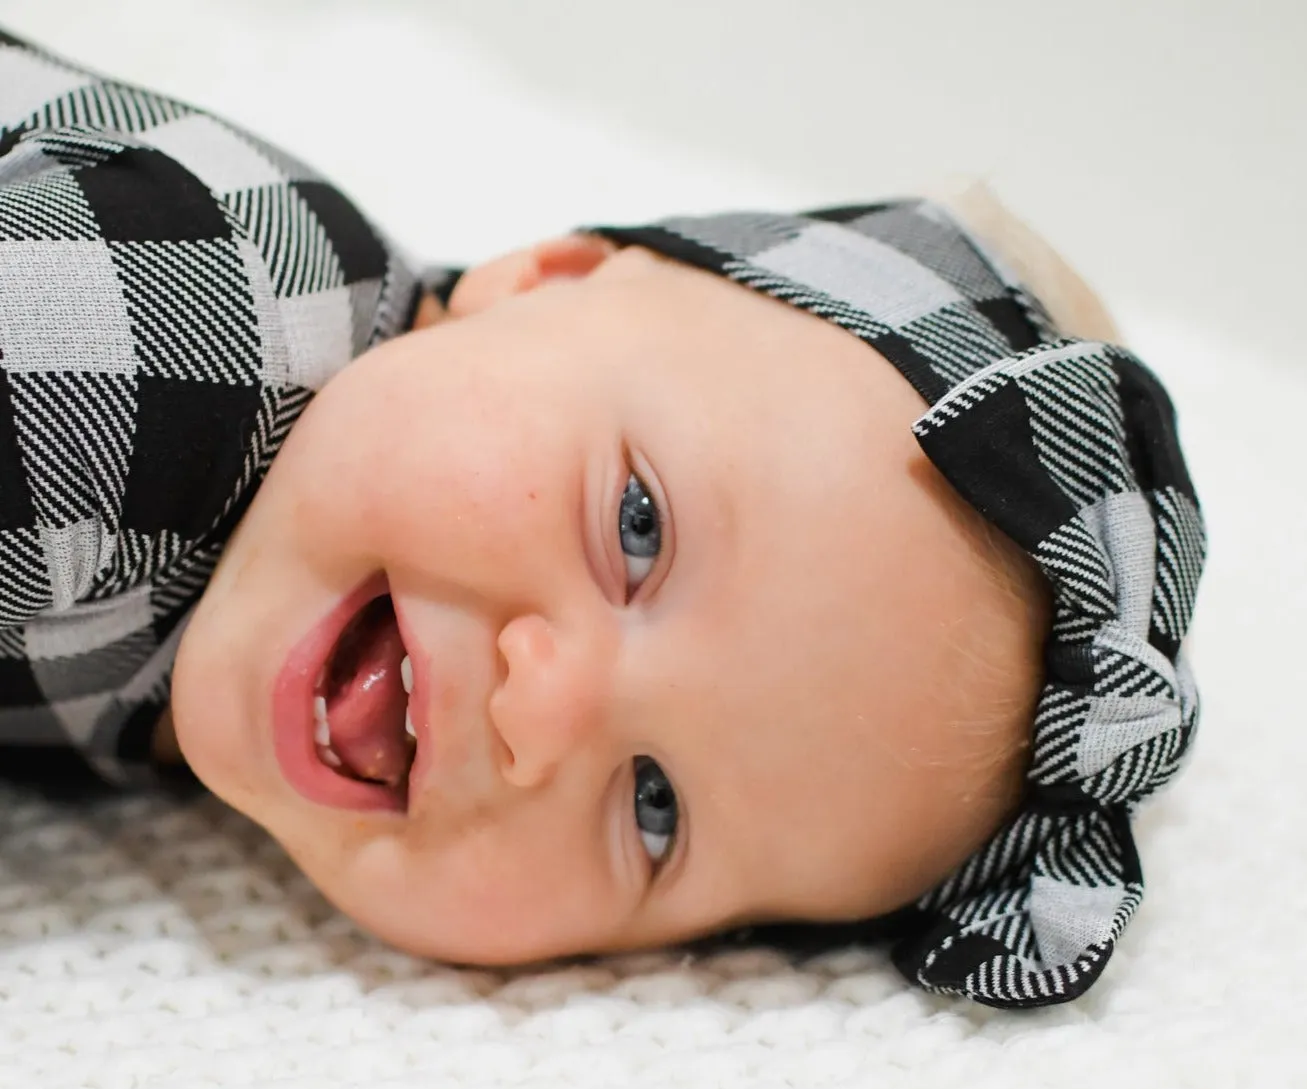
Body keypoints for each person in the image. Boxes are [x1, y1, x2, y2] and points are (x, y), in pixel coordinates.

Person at [0, 29, 1205, 1008]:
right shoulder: (176, 340)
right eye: (636, 528)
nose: (547, 708)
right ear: (541, 279)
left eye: (654, 808)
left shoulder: (238, 590)